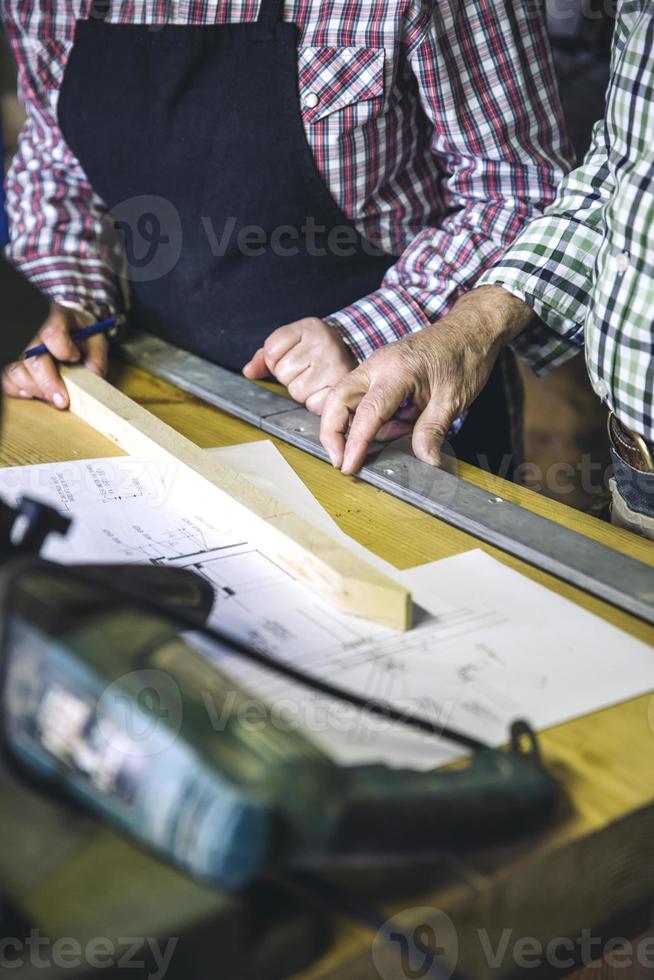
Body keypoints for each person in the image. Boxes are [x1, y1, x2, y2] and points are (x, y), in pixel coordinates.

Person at [2, 0, 571, 473]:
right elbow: (55, 167)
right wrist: (66, 300)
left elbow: (522, 191)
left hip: (382, 410)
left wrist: (374, 328)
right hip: (149, 387)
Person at [320, 0, 653, 537]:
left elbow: (513, 186)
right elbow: (616, 179)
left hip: (380, 388)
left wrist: (370, 326)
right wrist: (468, 328)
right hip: (638, 466)